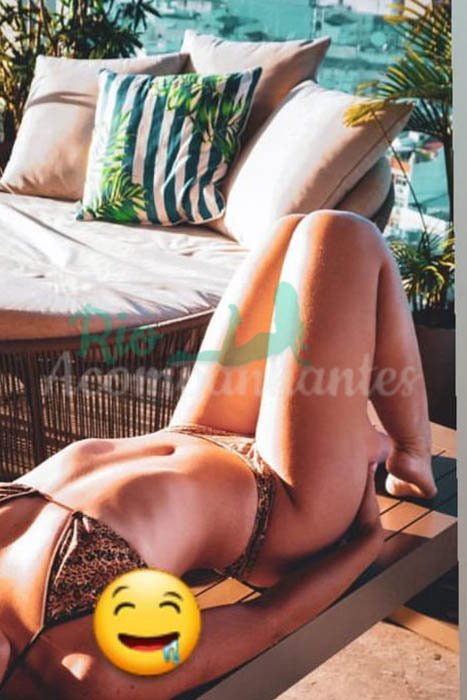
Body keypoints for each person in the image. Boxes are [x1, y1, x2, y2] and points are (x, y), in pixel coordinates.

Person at [0, 211, 437, 700]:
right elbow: (267, 620)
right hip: (284, 507)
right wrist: (364, 546)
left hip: (201, 430)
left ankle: (364, 444)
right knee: (340, 234)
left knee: (289, 231)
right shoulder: (89, 671)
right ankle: (410, 453)